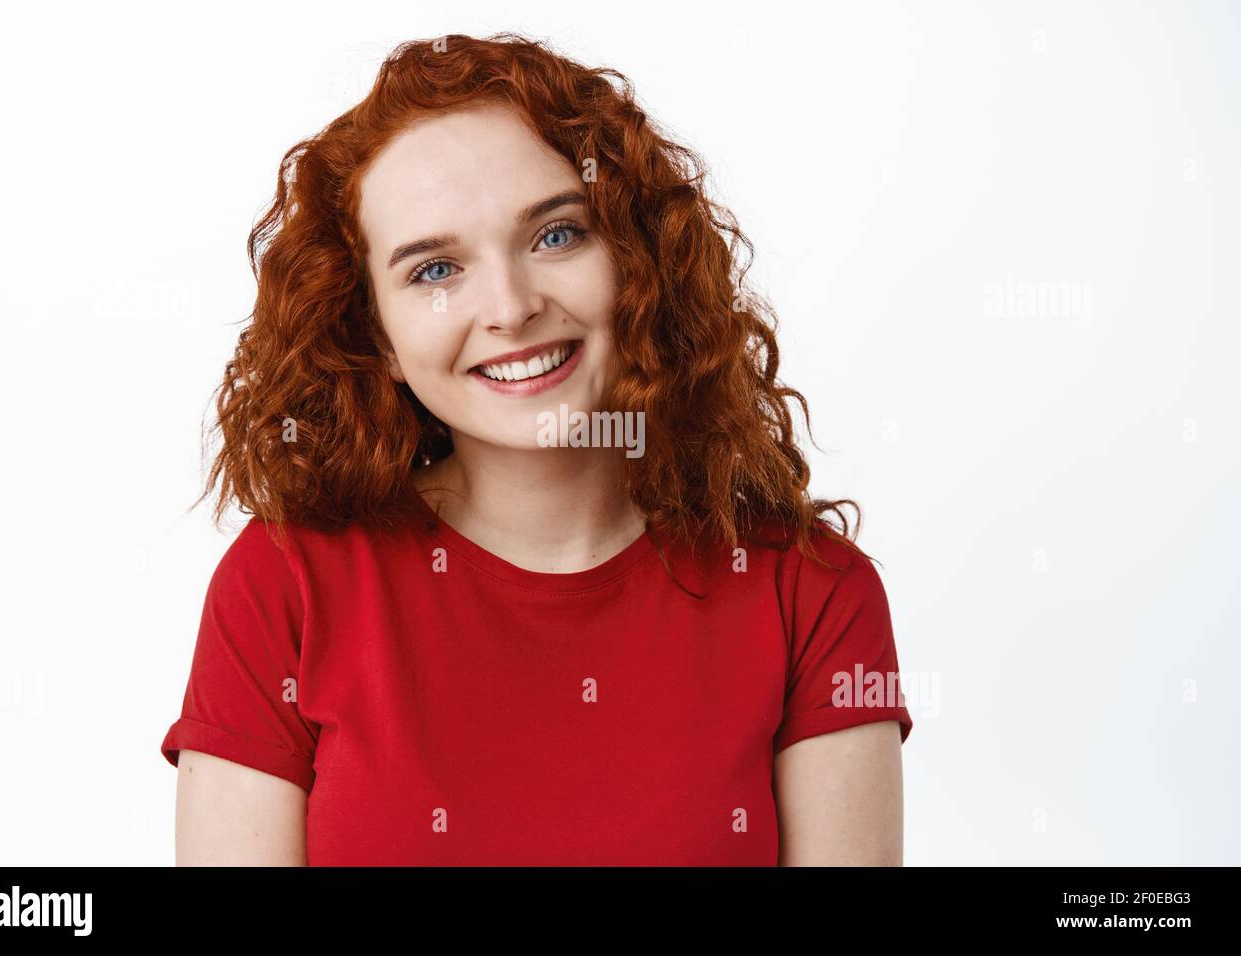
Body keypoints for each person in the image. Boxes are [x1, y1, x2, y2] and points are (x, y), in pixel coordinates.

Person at [160, 31, 913, 866]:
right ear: (372, 331)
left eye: (556, 236)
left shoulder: (811, 592)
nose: (511, 308)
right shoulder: (283, 589)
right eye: (434, 270)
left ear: (639, 259)